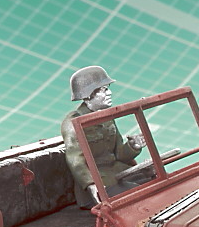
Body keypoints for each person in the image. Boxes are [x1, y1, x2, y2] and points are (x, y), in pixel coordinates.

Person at [60, 65, 145, 207]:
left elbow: (118, 154)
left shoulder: (106, 116)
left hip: (118, 174)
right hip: (99, 185)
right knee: (138, 194)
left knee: (154, 180)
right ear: (88, 96)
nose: (109, 93)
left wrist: (132, 146)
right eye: (103, 90)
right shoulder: (74, 121)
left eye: (108, 88)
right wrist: (91, 184)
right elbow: (76, 160)